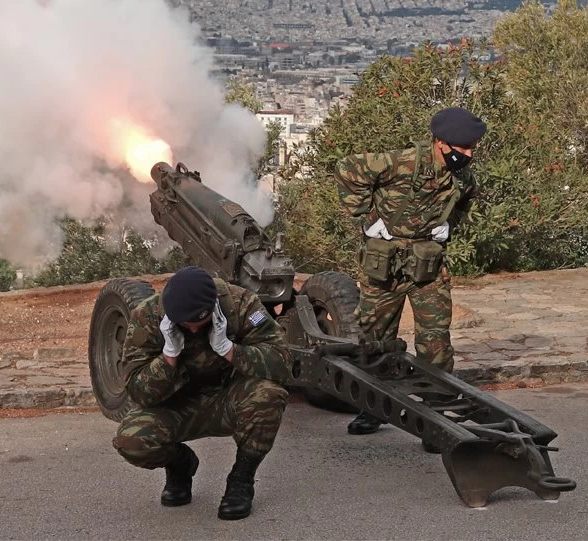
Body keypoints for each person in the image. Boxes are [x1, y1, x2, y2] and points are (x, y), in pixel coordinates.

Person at [333, 107, 487, 446]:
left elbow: (465, 202)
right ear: (440, 142)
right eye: (463, 148)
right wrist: (365, 217)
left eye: (472, 147)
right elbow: (347, 169)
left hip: (427, 265)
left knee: (435, 341)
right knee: (375, 338)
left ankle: (436, 418)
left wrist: (450, 226)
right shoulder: (399, 162)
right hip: (384, 264)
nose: (469, 154)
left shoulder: (462, 178)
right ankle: (373, 407)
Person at [112, 266, 293, 520]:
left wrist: (229, 349)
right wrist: (168, 357)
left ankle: (241, 480)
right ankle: (180, 465)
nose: (195, 331)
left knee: (269, 395)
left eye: (201, 322)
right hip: (176, 406)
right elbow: (138, 393)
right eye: (187, 325)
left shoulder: (241, 304)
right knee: (131, 440)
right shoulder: (147, 317)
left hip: (227, 399)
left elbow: (282, 363)